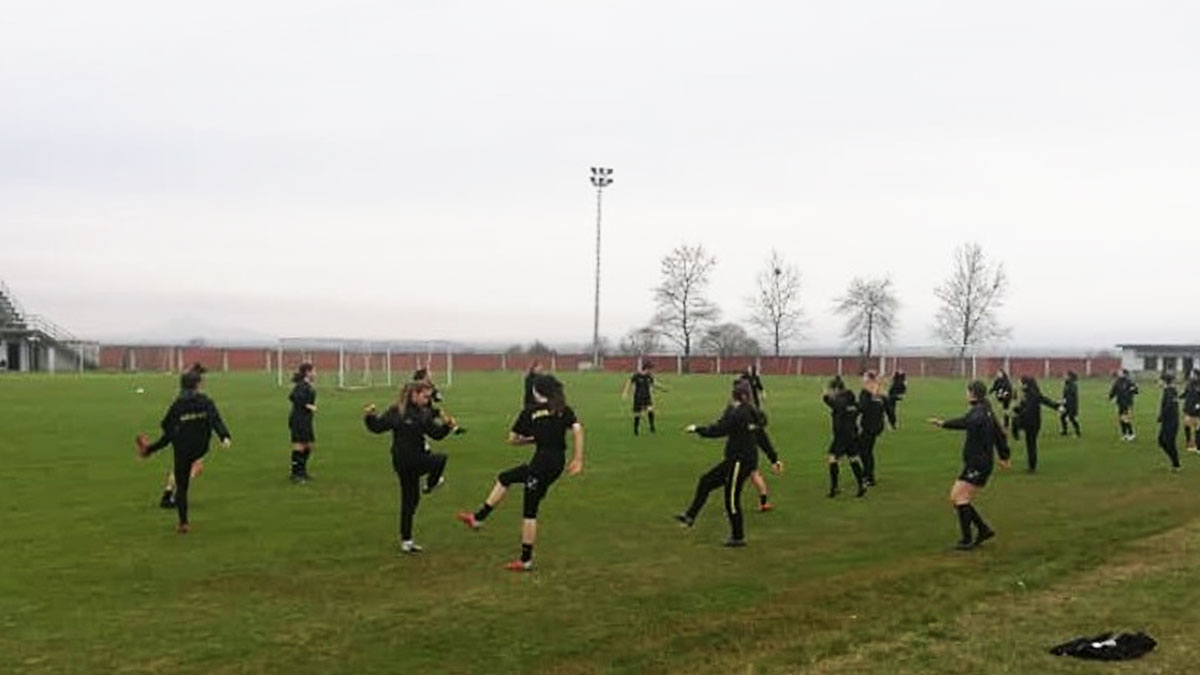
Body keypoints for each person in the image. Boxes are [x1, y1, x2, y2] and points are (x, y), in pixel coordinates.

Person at [457, 374, 583, 571]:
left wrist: (530, 440)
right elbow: (577, 430)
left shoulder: (529, 412)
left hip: (541, 465)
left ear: (536, 391)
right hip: (556, 463)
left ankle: (525, 560)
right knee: (505, 477)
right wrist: (578, 459)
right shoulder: (562, 408)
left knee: (529, 511)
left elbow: (512, 439)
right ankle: (478, 517)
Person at [674, 379, 782, 546]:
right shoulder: (751, 412)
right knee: (706, 481)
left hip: (740, 461)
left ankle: (738, 537)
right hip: (737, 460)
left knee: (731, 499)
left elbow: (719, 430)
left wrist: (697, 429)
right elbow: (761, 437)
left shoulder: (739, 414)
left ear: (738, 396)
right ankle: (690, 516)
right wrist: (774, 459)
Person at [363, 381, 460, 554]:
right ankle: (430, 484)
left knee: (411, 501)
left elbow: (436, 434)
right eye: (425, 396)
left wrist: (447, 426)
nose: (428, 400)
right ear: (414, 394)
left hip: (407, 461)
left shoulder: (418, 413)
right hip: (408, 460)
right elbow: (377, 427)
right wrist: (370, 417)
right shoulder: (399, 411)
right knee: (439, 460)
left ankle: (406, 541)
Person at [135, 364, 232, 533]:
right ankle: (149, 450)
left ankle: (183, 523)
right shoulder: (205, 401)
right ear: (197, 384)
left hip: (182, 448)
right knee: (192, 465)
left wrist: (177, 428)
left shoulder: (178, 404)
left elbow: (166, 424)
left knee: (182, 486)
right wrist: (224, 436)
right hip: (200, 445)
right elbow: (216, 420)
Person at [927, 380, 1012, 551]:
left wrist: (943, 424)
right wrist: (1004, 456)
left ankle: (968, 539)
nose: (966, 394)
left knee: (959, 497)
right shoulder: (986, 410)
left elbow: (966, 422)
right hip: (979, 463)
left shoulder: (980, 412)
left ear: (973, 394)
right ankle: (983, 530)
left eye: (967, 392)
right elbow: (999, 434)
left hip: (978, 464)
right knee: (958, 497)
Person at [824, 376, 868, 498]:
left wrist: (826, 397)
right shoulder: (852, 401)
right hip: (852, 434)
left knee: (832, 459)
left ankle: (834, 488)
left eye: (832, 390)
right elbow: (859, 408)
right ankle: (861, 484)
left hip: (841, 436)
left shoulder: (840, 402)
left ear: (836, 389)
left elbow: (835, 404)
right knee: (853, 459)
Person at [1010, 376, 1062, 473]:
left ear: (1025, 384)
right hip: (1028, 421)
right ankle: (1032, 466)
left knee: (1031, 444)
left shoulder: (1033, 395)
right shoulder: (1026, 394)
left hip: (1032, 423)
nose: (1019, 384)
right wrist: (1016, 407)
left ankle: (1032, 466)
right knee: (1030, 443)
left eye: (1021, 382)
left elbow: (1045, 401)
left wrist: (1057, 406)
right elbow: (1022, 407)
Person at [287, 363, 317, 483]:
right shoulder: (301, 385)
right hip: (298, 420)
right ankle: (296, 474)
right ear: (308, 372)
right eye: (314, 371)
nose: (315, 374)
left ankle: (302, 471)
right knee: (300, 445)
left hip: (306, 420)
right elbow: (293, 397)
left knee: (308, 445)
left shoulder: (307, 385)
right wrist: (307, 405)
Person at [858, 370, 888, 486]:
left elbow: (862, 407)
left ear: (869, 379)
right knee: (867, 450)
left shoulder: (866, 392)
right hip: (877, 426)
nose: (863, 379)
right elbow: (887, 407)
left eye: (864, 377)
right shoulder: (880, 392)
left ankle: (868, 476)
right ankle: (867, 475)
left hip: (868, 426)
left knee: (864, 451)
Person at [622, 359, 665, 435]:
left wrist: (662, 388)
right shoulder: (637, 375)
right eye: (650, 369)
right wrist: (625, 392)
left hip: (647, 396)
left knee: (650, 410)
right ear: (647, 368)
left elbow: (654, 384)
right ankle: (636, 429)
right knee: (637, 414)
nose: (651, 371)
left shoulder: (649, 376)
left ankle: (652, 427)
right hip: (638, 397)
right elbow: (629, 382)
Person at [1157, 372, 1182, 471]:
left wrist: (1161, 416)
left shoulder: (1170, 391)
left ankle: (1176, 464)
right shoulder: (1168, 390)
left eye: (1160, 380)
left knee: (1169, 442)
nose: (1158, 382)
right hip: (1167, 421)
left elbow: (1169, 406)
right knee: (1161, 441)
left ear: (1164, 381)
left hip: (1171, 422)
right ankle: (1174, 462)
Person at [1108, 369, 1140, 441]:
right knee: (1121, 419)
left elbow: (1136, 391)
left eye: (1121, 372)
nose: (1119, 373)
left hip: (1127, 403)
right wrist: (1111, 397)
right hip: (1120, 403)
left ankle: (1131, 434)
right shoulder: (1117, 381)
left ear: (1125, 374)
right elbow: (1114, 390)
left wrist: (1133, 389)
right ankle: (1124, 434)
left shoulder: (1129, 381)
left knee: (1126, 419)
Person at [1181, 370, 1200, 453]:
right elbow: (1185, 393)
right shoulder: (1189, 384)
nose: (1192, 376)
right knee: (1187, 425)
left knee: (1197, 427)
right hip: (1188, 408)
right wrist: (1179, 397)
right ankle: (1188, 442)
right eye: (1192, 375)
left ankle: (1197, 444)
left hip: (1197, 410)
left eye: (1194, 375)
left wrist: (1198, 405)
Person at [1059, 371, 1081, 437]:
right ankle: (1065, 431)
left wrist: (1067, 402)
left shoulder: (1072, 385)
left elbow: (1072, 395)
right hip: (1066, 404)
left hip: (1071, 405)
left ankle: (1078, 432)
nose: (1064, 376)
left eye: (1066, 375)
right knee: (1062, 417)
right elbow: (1065, 394)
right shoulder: (1067, 384)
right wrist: (1063, 401)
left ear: (1070, 377)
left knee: (1072, 418)